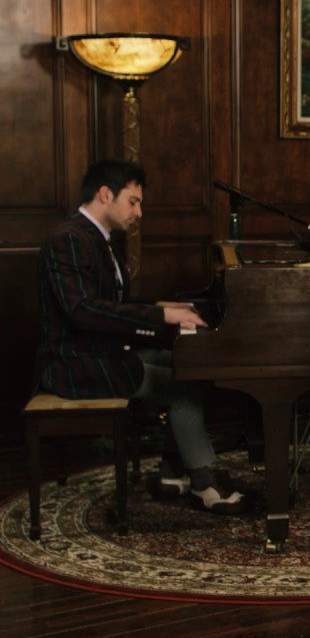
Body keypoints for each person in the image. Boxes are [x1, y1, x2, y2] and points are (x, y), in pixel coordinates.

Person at [35, 159, 247, 514]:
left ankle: (171, 473)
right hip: (75, 365)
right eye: (133, 202)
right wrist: (160, 315)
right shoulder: (68, 239)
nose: (139, 213)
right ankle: (203, 483)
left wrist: (157, 306)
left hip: (101, 353)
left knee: (190, 367)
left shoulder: (98, 239)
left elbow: (110, 304)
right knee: (183, 388)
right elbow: (82, 310)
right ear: (106, 194)